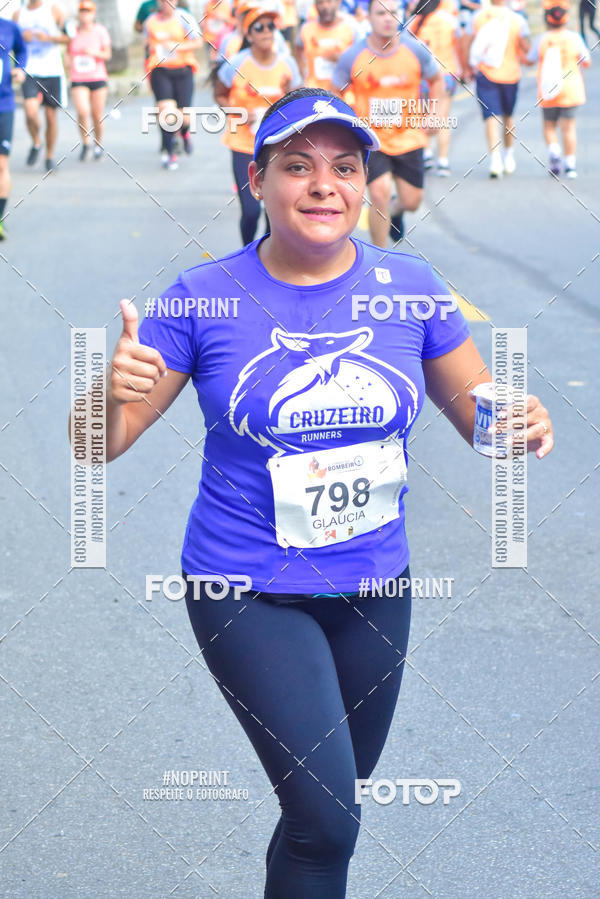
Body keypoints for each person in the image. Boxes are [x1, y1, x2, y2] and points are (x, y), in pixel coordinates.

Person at [77, 86, 554, 898]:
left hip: (376, 588)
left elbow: (477, 411)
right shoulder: (202, 296)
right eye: (297, 165)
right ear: (256, 181)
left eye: (345, 166)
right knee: (326, 821)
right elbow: (98, 443)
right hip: (248, 589)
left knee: (321, 818)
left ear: (365, 183)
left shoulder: (410, 285)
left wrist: (519, 420)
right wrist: (106, 391)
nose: (324, 184)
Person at [332, 0, 443, 246]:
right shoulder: (353, 56)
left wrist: (434, 113)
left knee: (412, 201)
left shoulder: (415, 50)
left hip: (409, 136)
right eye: (380, 13)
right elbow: (335, 91)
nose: (387, 18)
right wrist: (349, 123)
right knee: (379, 193)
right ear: (369, 17)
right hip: (372, 139)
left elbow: (437, 80)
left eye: (392, 12)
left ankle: (396, 210)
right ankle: (380, 257)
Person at [214, 5, 301, 244]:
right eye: (259, 27)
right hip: (243, 144)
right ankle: (247, 252)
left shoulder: (287, 64)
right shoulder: (236, 63)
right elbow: (220, 94)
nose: (266, 32)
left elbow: (297, 100)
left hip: (277, 145)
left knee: (274, 211)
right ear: (249, 35)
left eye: (271, 26)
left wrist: (288, 97)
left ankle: (266, 255)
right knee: (251, 210)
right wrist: (240, 113)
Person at [465, 0, 530, 178]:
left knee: (491, 117)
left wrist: (466, 67)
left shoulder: (477, 17)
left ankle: (496, 160)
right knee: (508, 116)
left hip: (485, 72)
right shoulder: (518, 19)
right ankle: (508, 155)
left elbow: (466, 42)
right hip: (511, 75)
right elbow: (526, 48)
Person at [526, 0, 590, 178]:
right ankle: (570, 165)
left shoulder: (542, 39)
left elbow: (529, 60)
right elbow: (587, 61)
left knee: (549, 126)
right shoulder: (574, 38)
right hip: (571, 89)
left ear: (547, 19)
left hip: (548, 90)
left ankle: (554, 152)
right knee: (568, 127)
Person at [144, 0, 203, 170]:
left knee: (184, 116)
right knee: (167, 112)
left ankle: (184, 133)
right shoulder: (150, 21)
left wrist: (177, 47)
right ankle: (169, 152)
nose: (166, 3)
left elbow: (198, 42)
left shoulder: (184, 18)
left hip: (183, 70)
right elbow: (147, 45)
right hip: (160, 70)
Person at [407, 0, 462, 175]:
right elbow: (458, 46)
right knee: (442, 118)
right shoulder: (450, 20)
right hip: (446, 73)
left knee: (423, 115)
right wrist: (463, 69)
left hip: (422, 77)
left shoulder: (414, 21)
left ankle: (427, 153)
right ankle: (443, 161)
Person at [13, 0, 69, 173]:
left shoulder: (55, 10)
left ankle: (49, 156)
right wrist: (21, 38)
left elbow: (69, 37)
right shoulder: (18, 14)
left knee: (51, 116)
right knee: (30, 112)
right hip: (29, 70)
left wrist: (49, 38)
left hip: (52, 70)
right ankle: (37, 142)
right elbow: (11, 42)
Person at [65, 0, 111, 161]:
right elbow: (67, 51)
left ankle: (98, 143)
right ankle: (85, 143)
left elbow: (107, 54)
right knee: (82, 111)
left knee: (97, 114)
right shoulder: (73, 32)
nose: (85, 15)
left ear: (93, 14)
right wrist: (67, 61)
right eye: (82, 11)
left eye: (88, 11)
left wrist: (93, 53)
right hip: (78, 77)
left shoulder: (100, 31)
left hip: (97, 76)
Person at [0, 15, 27, 240]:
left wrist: (20, 68)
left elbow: (22, 50)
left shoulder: (9, 27)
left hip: (4, 103)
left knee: (1, 165)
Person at [295, 0, 359, 90]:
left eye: (329, 2)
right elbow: (298, 50)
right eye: (320, 2)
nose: (325, 6)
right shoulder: (306, 28)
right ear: (315, 5)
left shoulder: (351, 27)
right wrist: (302, 75)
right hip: (315, 92)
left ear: (337, 2)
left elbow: (361, 60)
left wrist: (342, 59)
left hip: (343, 93)